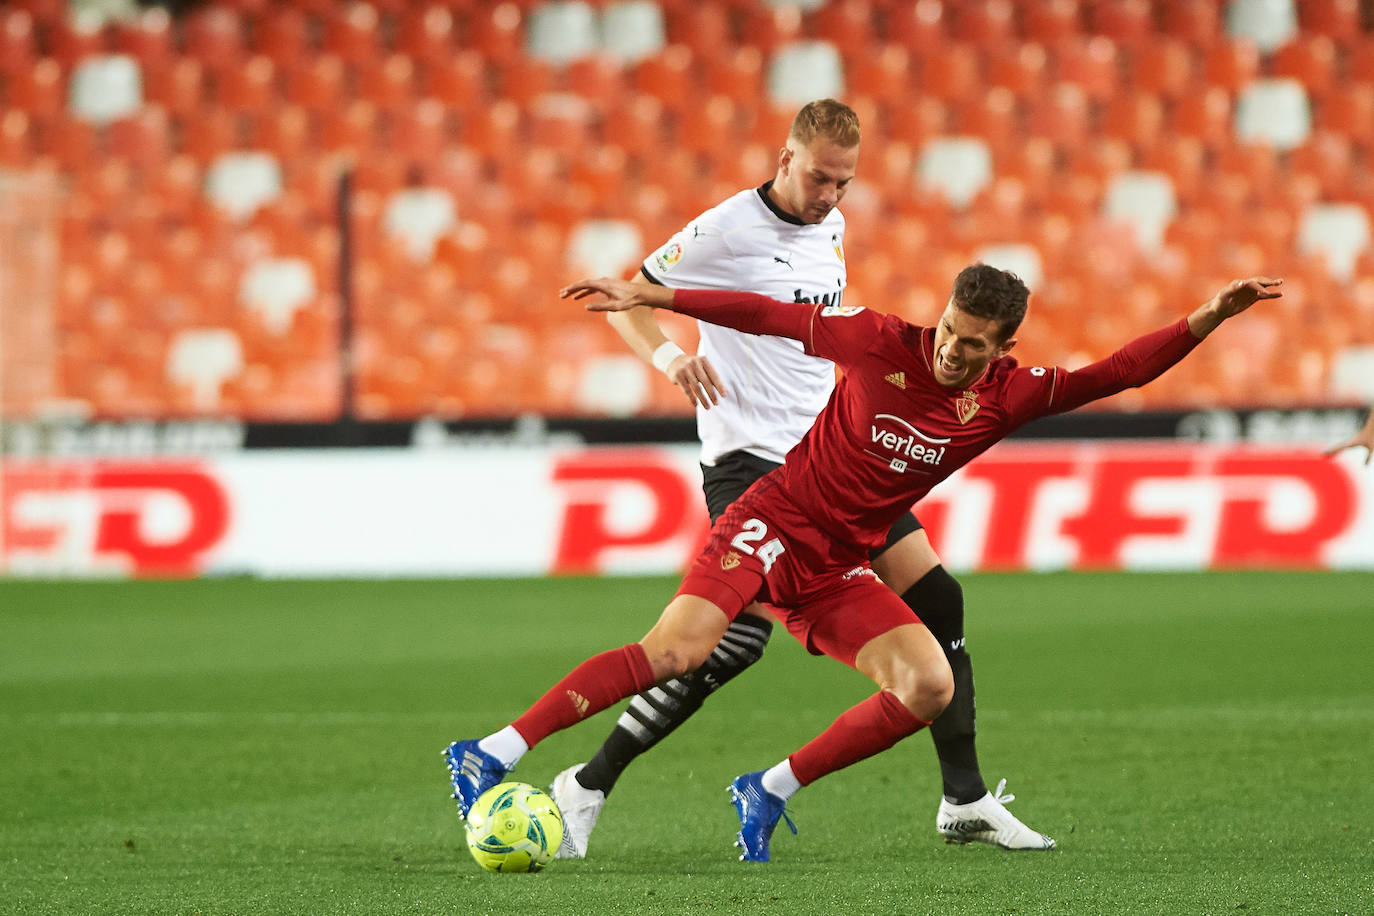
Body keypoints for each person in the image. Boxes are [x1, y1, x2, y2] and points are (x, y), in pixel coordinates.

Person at [445, 264, 1282, 862]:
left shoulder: (1010, 395)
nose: (954, 351)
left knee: (929, 686)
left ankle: (768, 789)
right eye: (952, 331)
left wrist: (1207, 315)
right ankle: (496, 749)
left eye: (975, 344)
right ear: (943, 313)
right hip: (773, 521)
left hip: (840, 564)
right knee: (681, 651)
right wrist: (657, 297)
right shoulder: (880, 340)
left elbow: (1119, 373)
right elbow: (765, 314)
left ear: (1004, 346)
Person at [544, 98, 1051, 859]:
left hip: (830, 458)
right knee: (731, 643)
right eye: (819, 179)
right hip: (749, 459)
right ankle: (587, 783)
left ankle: (964, 798)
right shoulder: (724, 229)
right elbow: (632, 295)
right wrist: (670, 358)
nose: (830, 197)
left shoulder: (831, 227)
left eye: (844, 184)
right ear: (785, 159)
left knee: (939, 595)